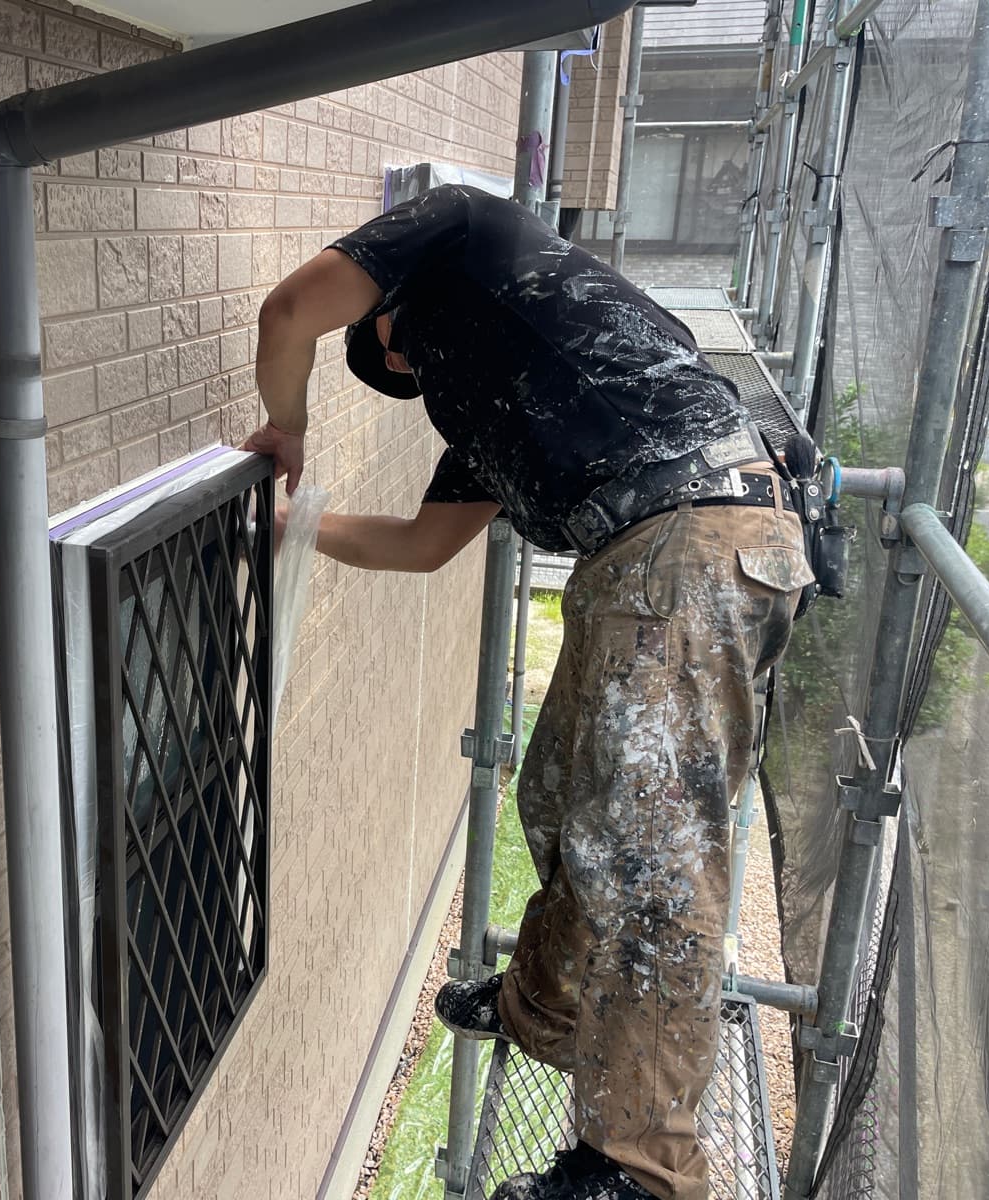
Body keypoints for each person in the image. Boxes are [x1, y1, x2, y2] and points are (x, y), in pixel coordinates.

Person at [243, 185, 812, 1200]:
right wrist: (297, 527)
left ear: (388, 308)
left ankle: (641, 1171)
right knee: (554, 795)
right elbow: (421, 547)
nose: (414, 370)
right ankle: (543, 1010)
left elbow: (287, 312)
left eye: (398, 354)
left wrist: (282, 437)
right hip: (654, 558)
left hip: (688, 539)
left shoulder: (466, 227)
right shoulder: (502, 405)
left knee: (652, 860)